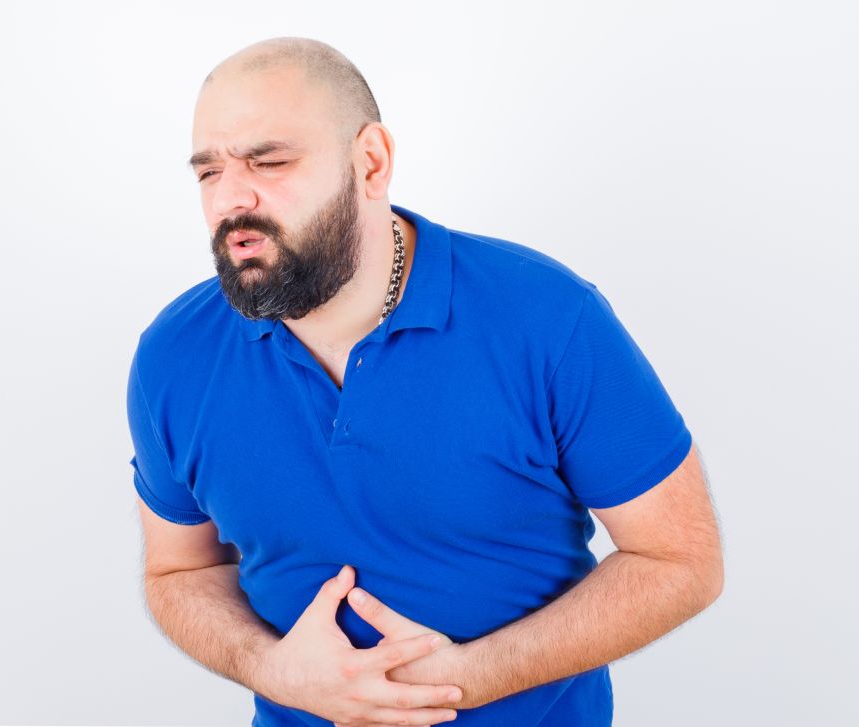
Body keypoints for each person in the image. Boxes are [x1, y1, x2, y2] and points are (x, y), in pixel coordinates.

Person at [126, 36, 724, 727]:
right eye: (209, 171)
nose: (231, 197)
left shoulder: (547, 318)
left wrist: (472, 676)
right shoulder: (175, 355)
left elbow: (680, 559)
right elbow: (180, 570)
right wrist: (271, 669)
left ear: (370, 162)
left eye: (270, 161)